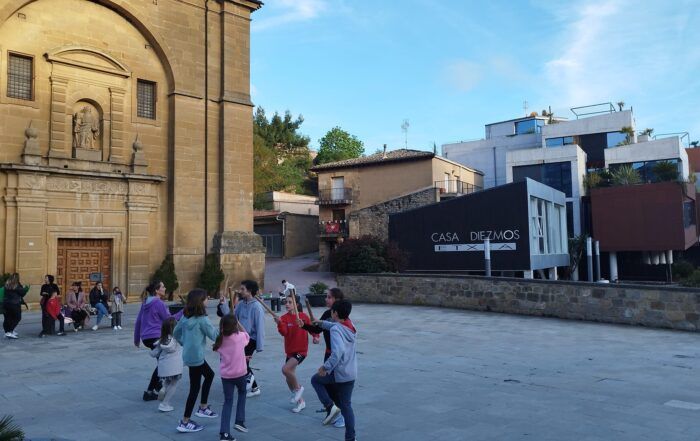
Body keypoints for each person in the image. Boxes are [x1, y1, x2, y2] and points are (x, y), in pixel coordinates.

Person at [310, 300, 357, 441]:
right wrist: (320, 323)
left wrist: (325, 367)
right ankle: (351, 438)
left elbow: (338, 352)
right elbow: (334, 326)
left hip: (339, 373)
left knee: (316, 380)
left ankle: (330, 406)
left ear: (335, 313)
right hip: (351, 373)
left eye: (332, 311)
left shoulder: (336, 330)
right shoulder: (351, 325)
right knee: (347, 406)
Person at [173, 289, 219, 433]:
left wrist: (184, 343)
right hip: (197, 357)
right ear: (201, 301)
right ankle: (185, 421)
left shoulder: (185, 317)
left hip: (189, 355)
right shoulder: (202, 319)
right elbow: (215, 336)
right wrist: (225, 326)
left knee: (209, 375)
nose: (207, 300)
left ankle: (203, 407)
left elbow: (175, 332)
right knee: (194, 388)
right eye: (206, 298)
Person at [302, 287, 346, 427]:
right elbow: (317, 328)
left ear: (337, 300)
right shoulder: (328, 313)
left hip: (337, 357)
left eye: (329, 297)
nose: (326, 299)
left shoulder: (342, 317)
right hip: (328, 354)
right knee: (328, 385)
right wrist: (303, 325)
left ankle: (341, 414)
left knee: (332, 385)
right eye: (326, 296)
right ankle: (332, 410)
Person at [134, 280, 182, 402]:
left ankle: (158, 386)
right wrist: (183, 312)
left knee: (161, 361)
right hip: (156, 336)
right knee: (162, 363)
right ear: (157, 290)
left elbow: (138, 321)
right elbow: (169, 320)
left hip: (146, 338)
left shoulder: (145, 302)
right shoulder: (158, 303)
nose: (165, 288)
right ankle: (150, 391)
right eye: (163, 286)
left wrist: (136, 339)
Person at [274, 294, 317, 413]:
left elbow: (311, 328)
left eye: (290, 302)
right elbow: (284, 333)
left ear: (296, 304)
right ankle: (301, 402)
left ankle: (299, 389)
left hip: (301, 351)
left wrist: (316, 336)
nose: (287, 304)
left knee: (285, 369)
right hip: (290, 351)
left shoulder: (303, 316)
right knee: (289, 378)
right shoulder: (284, 318)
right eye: (286, 302)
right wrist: (279, 323)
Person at [214, 313, 250, 440]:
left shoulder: (220, 340)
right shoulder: (240, 337)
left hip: (226, 376)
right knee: (242, 392)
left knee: (228, 402)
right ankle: (239, 420)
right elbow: (247, 335)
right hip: (240, 373)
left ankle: (224, 433)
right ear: (235, 325)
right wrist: (239, 323)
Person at [232, 280, 265, 398]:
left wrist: (259, 345)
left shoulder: (257, 307)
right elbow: (233, 317)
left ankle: (252, 386)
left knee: (243, 362)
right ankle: (252, 386)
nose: (240, 291)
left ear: (250, 291)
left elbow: (260, 327)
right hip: (240, 338)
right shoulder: (241, 304)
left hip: (251, 339)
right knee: (241, 362)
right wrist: (223, 305)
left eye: (243, 289)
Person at [150, 317, 183, 413]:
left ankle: (163, 388)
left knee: (168, 381)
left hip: (164, 366)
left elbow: (154, 353)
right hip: (175, 367)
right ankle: (165, 403)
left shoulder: (162, 340)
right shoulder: (177, 339)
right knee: (174, 384)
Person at [3, 273, 28, 339]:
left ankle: (7, 332)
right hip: (14, 304)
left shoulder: (7, 284)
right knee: (17, 317)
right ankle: (10, 331)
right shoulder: (16, 285)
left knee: (8, 318)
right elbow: (23, 293)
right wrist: (25, 288)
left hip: (6, 303)